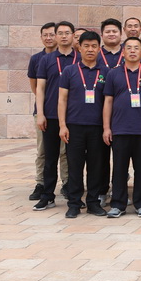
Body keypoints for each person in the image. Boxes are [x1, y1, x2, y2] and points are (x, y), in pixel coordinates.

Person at [102, 37, 141, 218]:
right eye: (129, 48)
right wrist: (106, 127)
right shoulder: (113, 73)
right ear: (123, 52)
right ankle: (118, 204)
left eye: (137, 48)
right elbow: (108, 101)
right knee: (119, 169)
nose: (133, 51)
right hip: (119, 129)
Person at [57, 31, 108, 218]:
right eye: (86, 46)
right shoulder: (69, 71)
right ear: (79, 47)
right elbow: (62, 99)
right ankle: (74, 203)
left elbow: (109, 101)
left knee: (96, 166)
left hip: (97, 127)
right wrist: (62, 125)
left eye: (94, 46)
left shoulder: (106, 72)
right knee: (75, 166)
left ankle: (93, 202)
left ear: (99, 48)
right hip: (74, 126)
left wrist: (107, 127)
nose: (90, 49)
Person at [33, 21, 78, 211]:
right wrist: (40, 113)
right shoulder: (47, 60)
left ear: (73, 35)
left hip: (75, 116)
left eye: (67, 33)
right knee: (50, 158)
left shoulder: (80, 57)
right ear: (56, 36)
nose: (64, 36)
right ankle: (47, 195)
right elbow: (40, 88)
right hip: (51, 115)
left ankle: (74, 194)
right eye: (60, 33)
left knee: (74, 158)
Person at [27, 22, 63, 201]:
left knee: (65, 152)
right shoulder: (37, 59)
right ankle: (41, 183)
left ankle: (67, 183)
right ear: (41, 37)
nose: (49, 38)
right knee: (43, 151)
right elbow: (36, 87)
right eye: (45, 35)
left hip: (66, 114)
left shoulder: (70, 57)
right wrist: (43, 108)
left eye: (51, 34)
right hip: (45, 112)